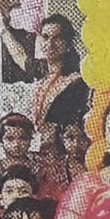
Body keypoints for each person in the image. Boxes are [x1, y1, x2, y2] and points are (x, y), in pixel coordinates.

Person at [32, 14, 90, 149]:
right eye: (46, 37)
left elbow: (73, 125)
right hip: (40, 149)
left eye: (57, 38)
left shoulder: (77, 82)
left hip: (64, 151)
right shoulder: (42, 80)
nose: (50, 44)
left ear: (68, 43)